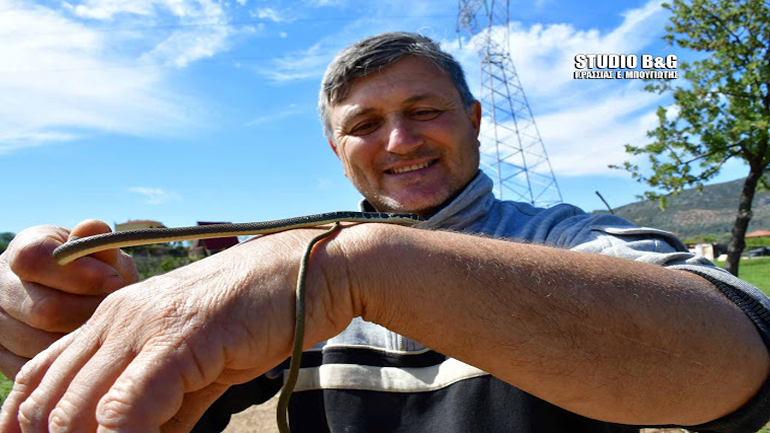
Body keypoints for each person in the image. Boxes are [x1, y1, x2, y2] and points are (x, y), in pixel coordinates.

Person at [1, 32, 769, 432]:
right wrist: (80, 332)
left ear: (473, 121)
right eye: (365, 124)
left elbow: (737, 360)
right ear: (338, 156)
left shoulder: (565, 238)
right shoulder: (285, 280)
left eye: (424, 110)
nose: (399, 141)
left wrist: (357, 269)